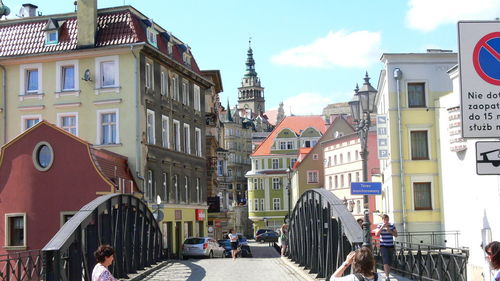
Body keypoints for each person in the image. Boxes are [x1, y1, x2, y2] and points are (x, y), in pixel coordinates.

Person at [374, 214, 398, 281]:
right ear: (383, 220)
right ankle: (387, 276)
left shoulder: (392, 225)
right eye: (385, 220)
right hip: (383, 245)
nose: (386, 221)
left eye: (387, 220)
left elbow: (396, 235)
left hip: (390, 245)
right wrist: (382, 227)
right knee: (386, 260)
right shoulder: (379, 225)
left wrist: (389, 230)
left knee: (390, 261)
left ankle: (387, 273)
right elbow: (377, 234)